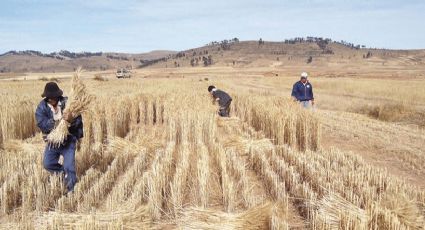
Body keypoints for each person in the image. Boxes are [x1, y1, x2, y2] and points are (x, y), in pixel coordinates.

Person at [35, 82, 83, 193]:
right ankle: (63, 174)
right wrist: (57, 121)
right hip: (53, 141)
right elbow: (42, 124)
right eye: (49, 97)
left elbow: (79, 122)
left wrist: (71, 119)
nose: (51, 99)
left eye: (54, 97)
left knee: (69, 167)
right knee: (48, 164)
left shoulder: (69, 103)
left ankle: (71, 191)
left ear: (58, 95)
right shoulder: (42, 107)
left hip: (68, 140)